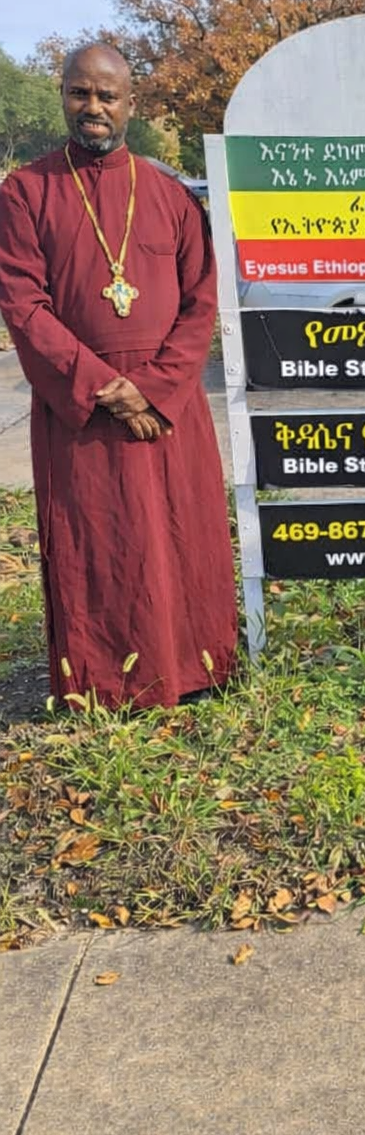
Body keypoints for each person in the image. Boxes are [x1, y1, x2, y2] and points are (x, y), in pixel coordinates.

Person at [0, 43, 237, 709]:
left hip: (168, 402)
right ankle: (108, 686)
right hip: (82, 403)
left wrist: (156, 387)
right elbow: (22, 300)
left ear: (132, 104)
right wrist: (104, 385)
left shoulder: (167, 193)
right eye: (81, 93)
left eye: (108, 96)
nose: (94, 108)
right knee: (100, 545)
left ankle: (196, 672)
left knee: (180, 536)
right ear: (64, 96)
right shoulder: (26, 192)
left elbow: (202, 299)